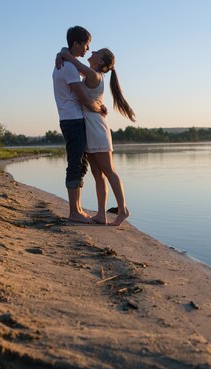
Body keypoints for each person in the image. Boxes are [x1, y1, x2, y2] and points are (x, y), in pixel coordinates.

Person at [57, 46, 135, 226]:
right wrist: (61, 53)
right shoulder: (92, 75)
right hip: (89, 128)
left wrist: (64, 54)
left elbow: (74, 62)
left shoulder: (94, 75)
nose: (91, 53)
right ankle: (101, 214)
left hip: (96, 128)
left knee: (109, 171)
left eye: (95, 53)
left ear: (100, 61)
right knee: (97, 174)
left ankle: (123, 210)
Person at [52, 26, 106, 223]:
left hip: (72, 119)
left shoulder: (67, 63)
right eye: (86, 44)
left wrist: (62, 53)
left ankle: (77, 209)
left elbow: (86, 93)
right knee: (75, 163)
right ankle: (74, 212)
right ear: (75, 44)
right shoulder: (68, 67)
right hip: (72, 120)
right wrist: (98, 108)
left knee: (80, 164)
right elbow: (83, 98)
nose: (87, 48)